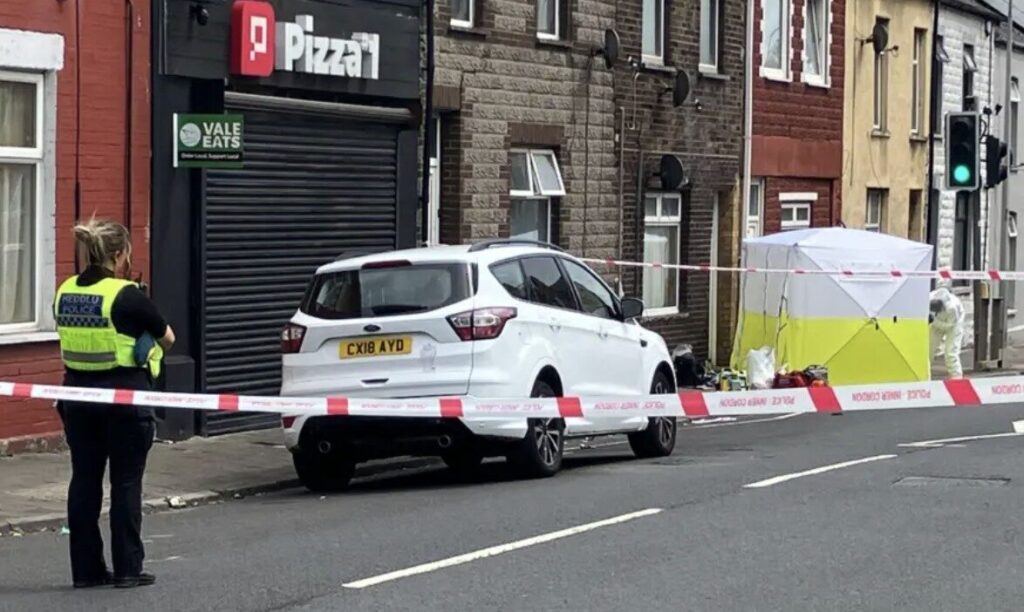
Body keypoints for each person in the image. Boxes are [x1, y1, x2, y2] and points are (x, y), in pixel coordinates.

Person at [55, 218, 175, 589]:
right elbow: (167, 338)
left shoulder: (65, 289)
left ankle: (87, 571)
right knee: (125, 482)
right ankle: (127, 569)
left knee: (85, 480)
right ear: (120, 255)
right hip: (124, 401)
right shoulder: (127, 295)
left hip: (76, 398)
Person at [929, 286, 965, 379]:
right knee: (927, 351)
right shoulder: (929, 298)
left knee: (951, 353)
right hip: (937, 321)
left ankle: (957, 380)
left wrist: (933, 321)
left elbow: (949, 326)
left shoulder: (952, 308)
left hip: (954, 324)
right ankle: (924, 378)